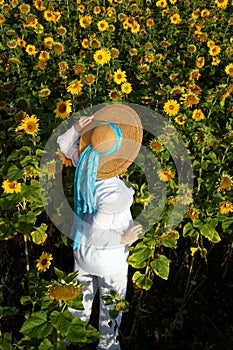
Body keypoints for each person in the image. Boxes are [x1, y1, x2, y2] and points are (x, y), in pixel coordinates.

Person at [57, 104, 143, 350]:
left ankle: (70, 340)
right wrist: (123, 239)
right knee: (112, 305)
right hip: (108, 259)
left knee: (79, 301)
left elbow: (63, 146)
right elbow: (97, 230)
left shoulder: (83, 163)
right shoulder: (115, 194)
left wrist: (75, 129)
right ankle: (107, 344)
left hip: (82, 253)